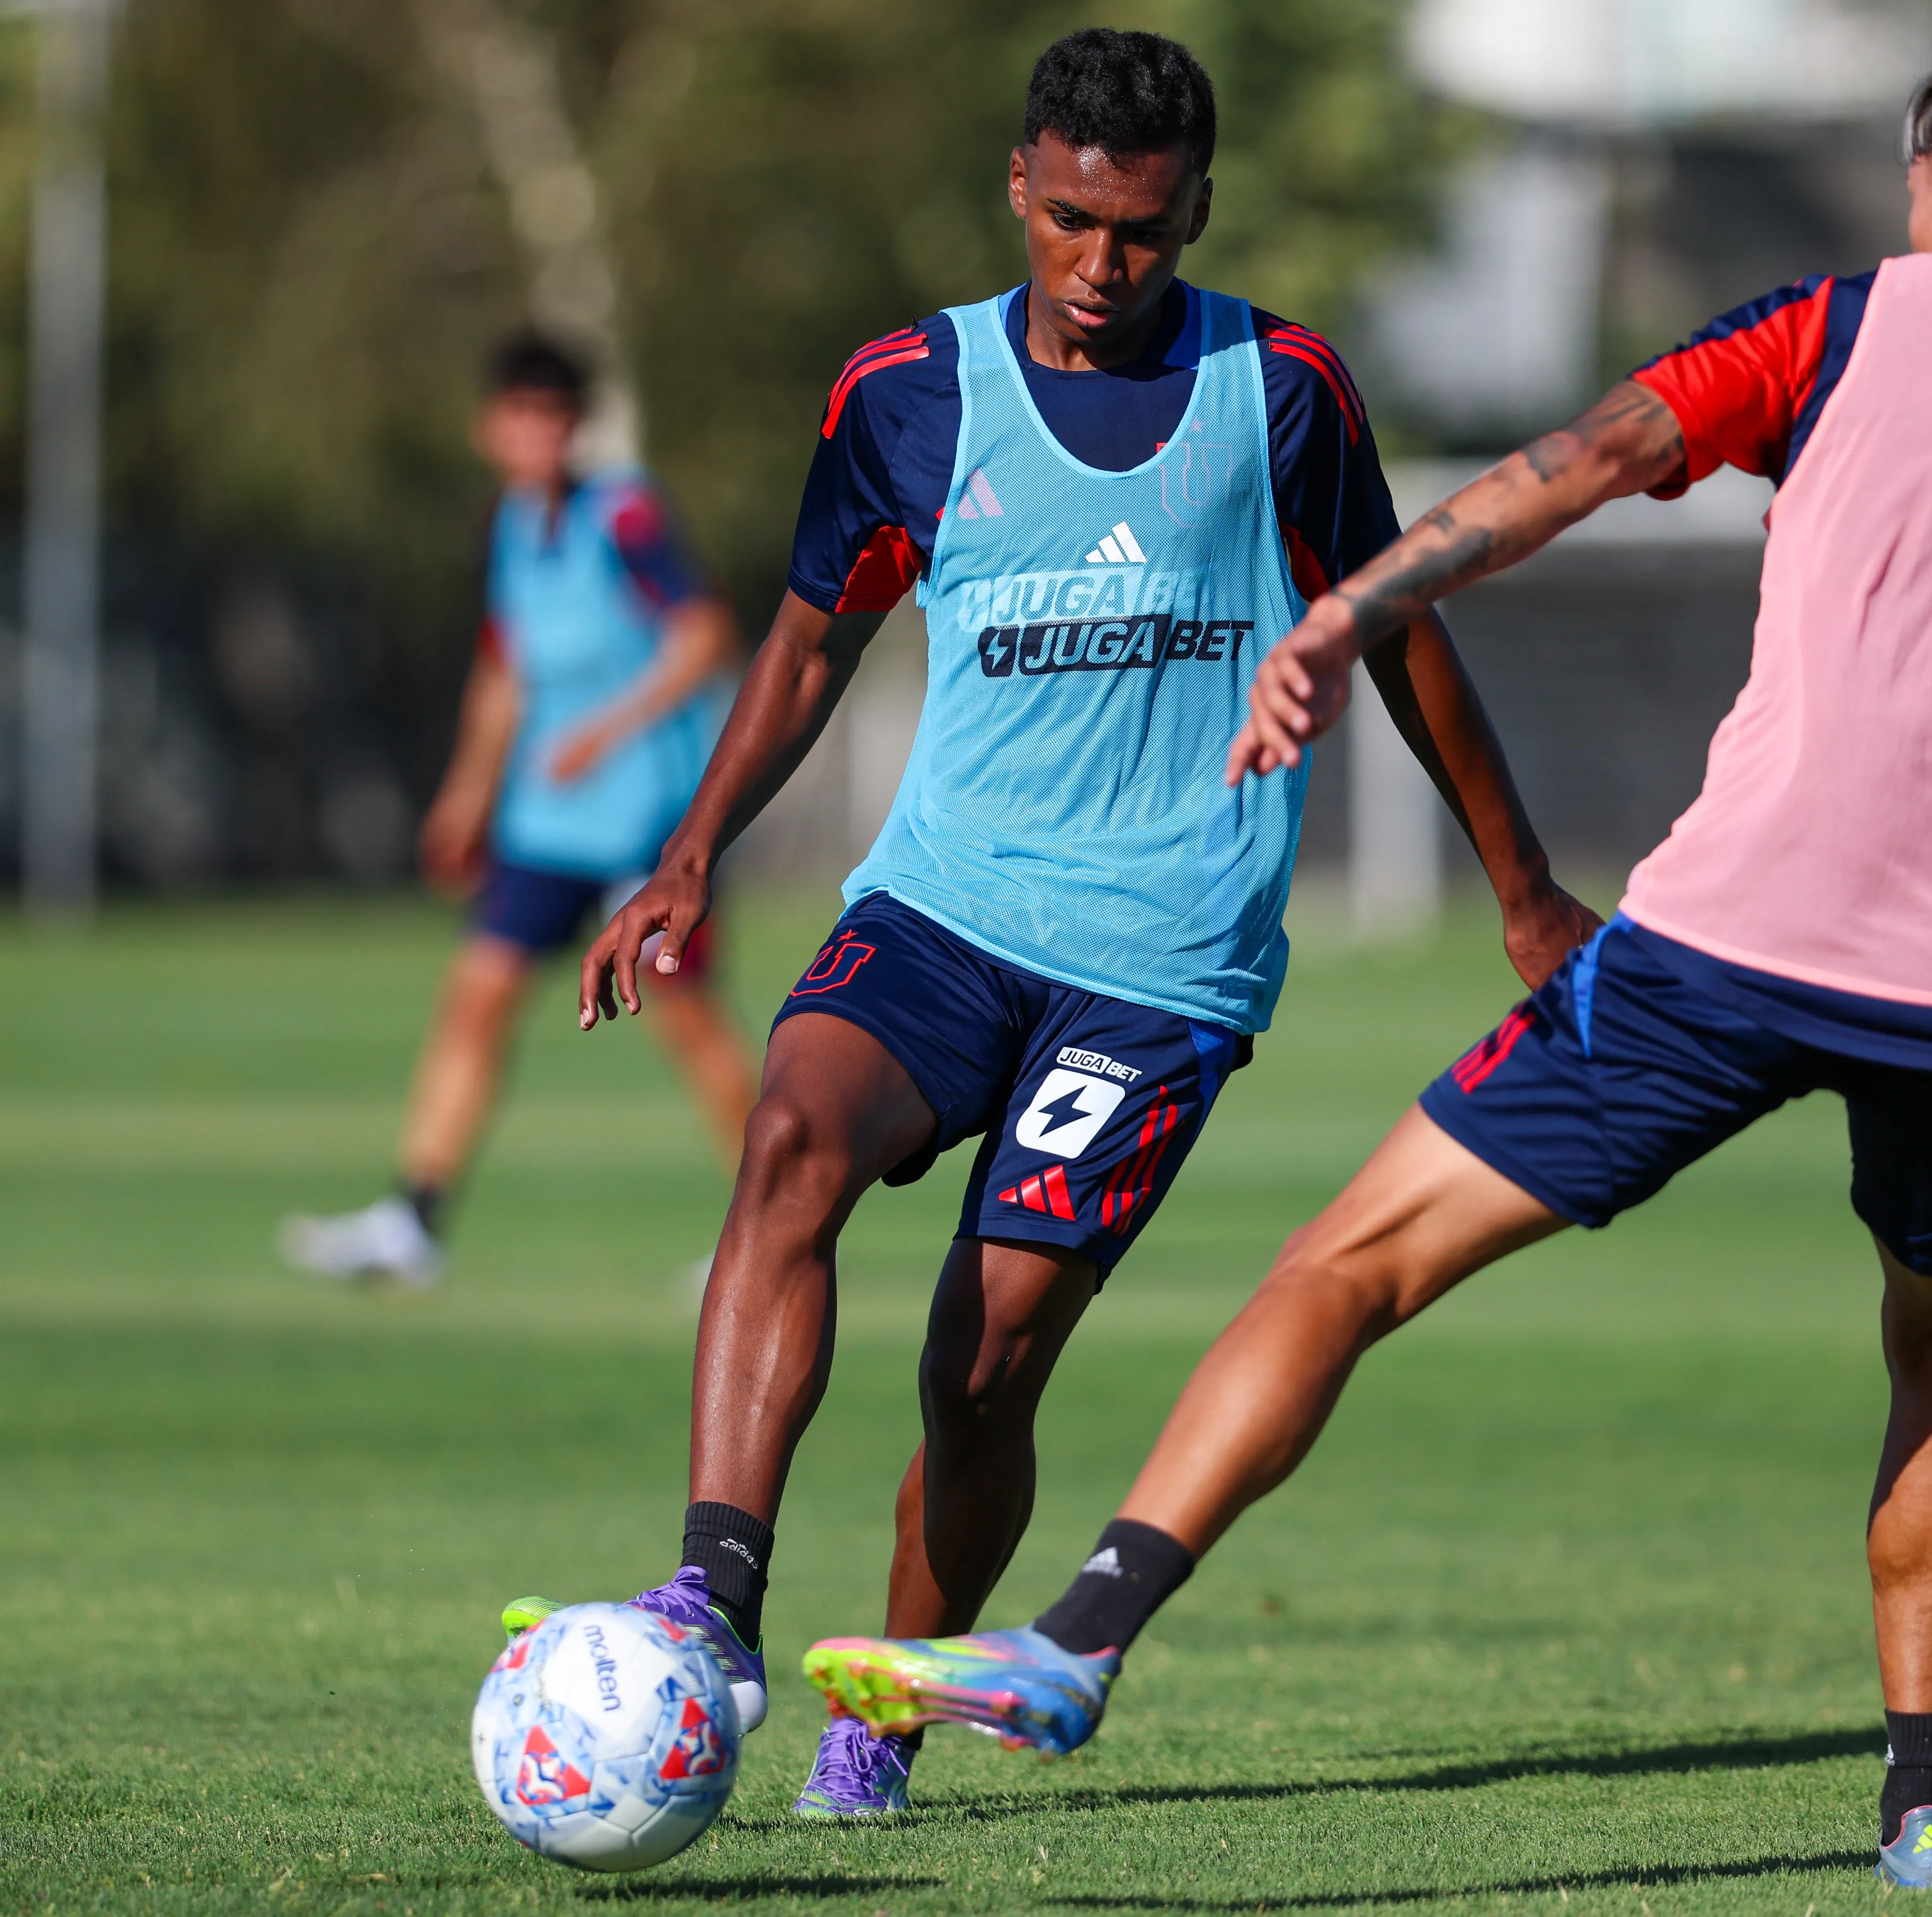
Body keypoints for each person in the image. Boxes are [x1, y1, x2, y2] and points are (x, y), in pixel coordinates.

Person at [800, 30, 1932, 1889]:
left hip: (1732, 945)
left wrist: (1352, 605)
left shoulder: (1842, 326)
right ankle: (1924, 1810)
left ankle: (1081, 1636)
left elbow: (1577, 463)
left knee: (1348, 1264)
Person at [529, 28, 1596, 1821]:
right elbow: (808, 639)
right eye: (1079, 224)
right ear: (1023, 188)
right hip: (942, 908)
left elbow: (1403, 630)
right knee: (789, 1131)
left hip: (1161, 960)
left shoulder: (1283, 393)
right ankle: (708, 1600)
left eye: (1150, 234)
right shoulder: (905, 395)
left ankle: (883, 1710)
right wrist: (695, 847)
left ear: (1197, 212)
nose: (1108, 268)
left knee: (985, 1351)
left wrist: (1523, 889)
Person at [281, 331, 755, 1290]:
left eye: (556, 415)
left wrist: (608, 730)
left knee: (687, 1022)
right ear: (490, 427)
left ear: (575, 425)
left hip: (645, 825)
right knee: (477, 997)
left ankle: (770, 1235)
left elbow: (706, 635)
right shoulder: (510, 526)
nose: (539, 433)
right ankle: (411, 1218)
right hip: (548, 826)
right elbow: (504, 671)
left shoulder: (623, 516)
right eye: (522, 415)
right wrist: (466, 795)